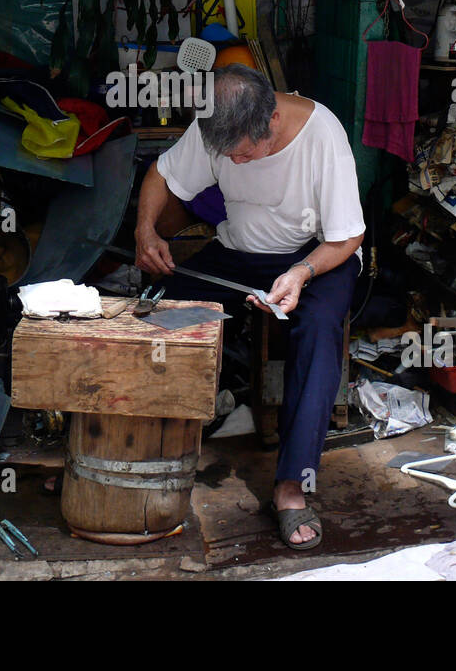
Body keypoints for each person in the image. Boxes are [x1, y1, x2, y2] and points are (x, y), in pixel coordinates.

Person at [133, 64, 365, 550]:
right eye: (227, 155)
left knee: (318, 331)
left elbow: (348, 236)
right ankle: (131, 454)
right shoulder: (214, 126)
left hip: (319, 257)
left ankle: (291, 487)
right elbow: (163, 174)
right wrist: (146, 230)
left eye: (243, 153)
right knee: (161, 314)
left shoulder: (323, 136)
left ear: (272, 120)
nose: (234, 164)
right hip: (240, 254)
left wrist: (301, 273)